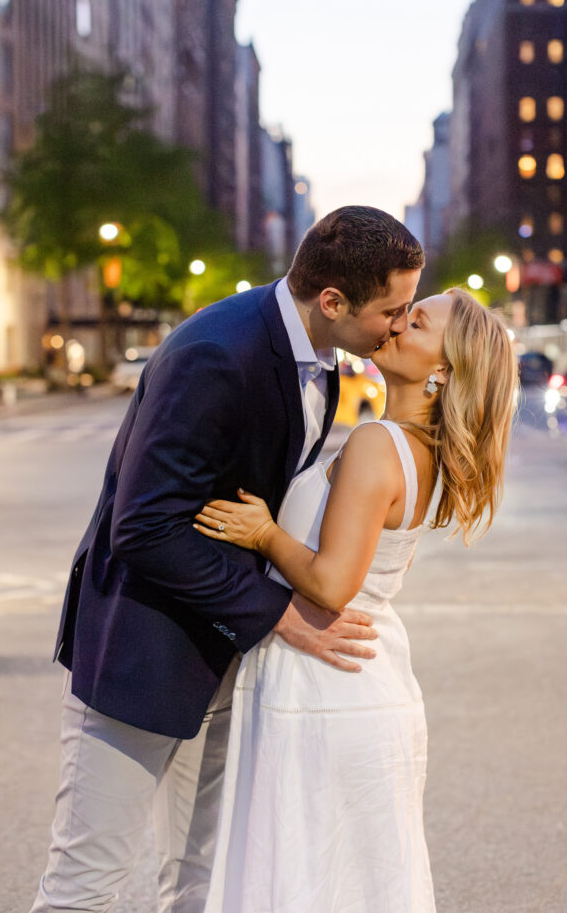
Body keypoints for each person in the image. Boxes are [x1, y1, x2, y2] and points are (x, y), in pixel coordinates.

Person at [30, 206, 424, 913]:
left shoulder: (321, 357)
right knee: (83, 888)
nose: (398, 325)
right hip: (145, 653)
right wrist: (279, 615)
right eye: (392, 311)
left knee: (201, 882)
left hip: (229, 663)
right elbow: (144, 527)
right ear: (332, 301)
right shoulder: (218, 352)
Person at [195, 287, 519, 913]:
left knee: (301, 882)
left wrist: (264, 533)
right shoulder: (422, 451)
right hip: (364, 680)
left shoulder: (378, 443)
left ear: (444, 369)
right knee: (358, 885)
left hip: (325, 686)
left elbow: (332, 583)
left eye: (416, 322)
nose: (398, 323)